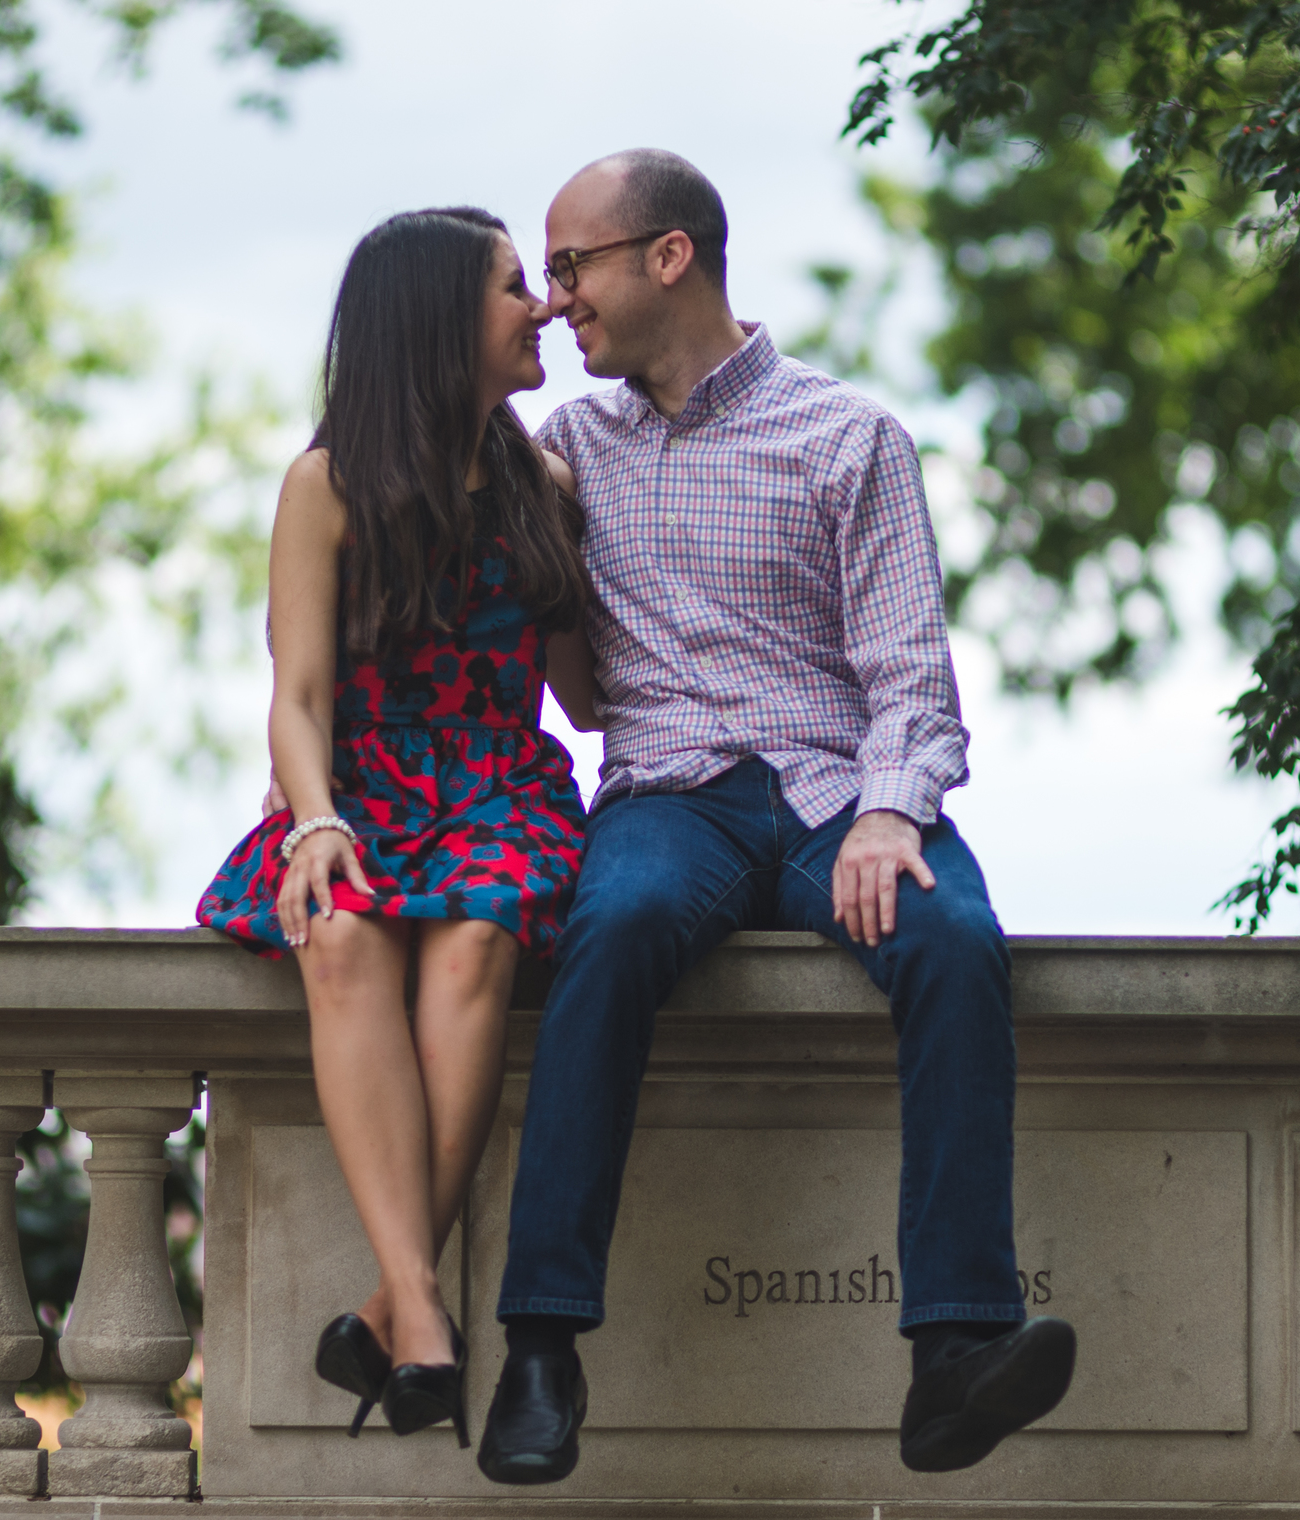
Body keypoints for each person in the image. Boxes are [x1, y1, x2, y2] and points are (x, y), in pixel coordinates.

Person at [475, 151, 1075, 1485]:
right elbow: (413, 496)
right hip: (668, 798)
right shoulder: (564, 451)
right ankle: (539, 1347)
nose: (558, 298)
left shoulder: (847, 436)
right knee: (613, 925)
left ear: (668, 255)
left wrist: (889, 815)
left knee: (955, 944)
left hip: (830, 795)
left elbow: (909, 672)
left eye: (573, 268)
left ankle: (956, 1358)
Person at [196, 206, 600, 1448]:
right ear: (434, 320)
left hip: (498, 785)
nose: (540, 307)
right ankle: (416, 1307)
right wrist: (314, 820)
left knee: (481, 931)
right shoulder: (325, 483)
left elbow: (588, 695)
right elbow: (297, 695)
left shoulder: (546, 483)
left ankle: (395, 1306)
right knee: (340, 932)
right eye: (514, 286)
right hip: (357, 785)